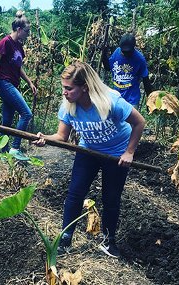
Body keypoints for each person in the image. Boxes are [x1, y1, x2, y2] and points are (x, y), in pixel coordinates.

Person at [33, 61, 145, 258]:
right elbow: (62, 137)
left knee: (110, 198)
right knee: (75, 193)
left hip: (116, 153)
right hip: (89, 150)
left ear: (84, 87)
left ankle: (109, 241)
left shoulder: (111, 102)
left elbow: (139, 122)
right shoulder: (68, 106)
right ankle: (66, 238)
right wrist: (46, 139)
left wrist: (129, 152)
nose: (64, 92)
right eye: (63, 88)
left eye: (69, 88)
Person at [0, 11, 37, 161]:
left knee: (7, 122)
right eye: (27, 31)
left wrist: (29, 82)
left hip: (12, 83)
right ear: (19, 30)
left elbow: (18, 67)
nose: (28, 34)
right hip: (4, 83)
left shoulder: (19, 47)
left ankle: (2, 152)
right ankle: (15, 148)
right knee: (26, 113)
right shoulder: (6, 42)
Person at [102, 33, 153, 108]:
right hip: (117, 97)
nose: (125, 54)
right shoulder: (117, 52)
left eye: (128, 52)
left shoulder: (139, 59)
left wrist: (150, 100)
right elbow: (108, 67)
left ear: (133, 48)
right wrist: (104, 54)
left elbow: (146, 80)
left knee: (130, 119)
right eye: (123, 51)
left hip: (132, 100)